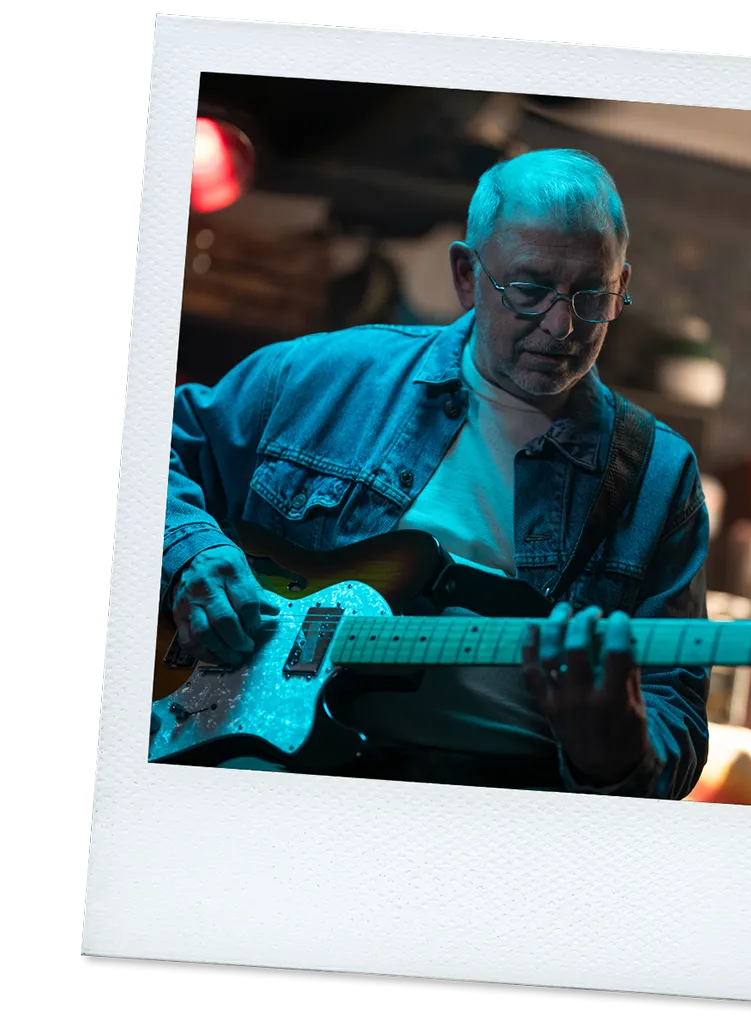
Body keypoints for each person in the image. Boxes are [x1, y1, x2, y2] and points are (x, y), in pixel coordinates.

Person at [161, 148, 710, 799]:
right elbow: (143, 449)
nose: (562, 326)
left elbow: (676, 713)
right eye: (531, 289)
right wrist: (190, 552)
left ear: (622, 284)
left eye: (593, 295)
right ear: (466, 275)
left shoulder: (658, 477)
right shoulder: (317, 378)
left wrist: (620, 754)